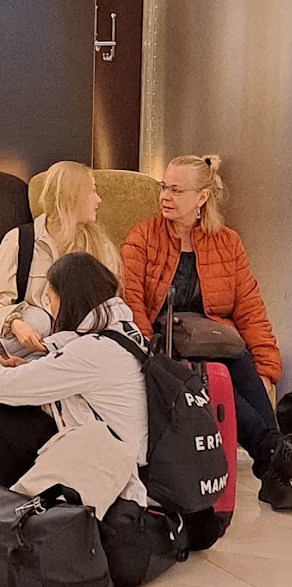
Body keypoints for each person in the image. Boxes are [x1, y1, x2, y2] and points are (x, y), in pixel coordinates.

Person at [121, 153, 292, 510]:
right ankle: (276, 459)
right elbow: (131, 300)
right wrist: (147, 354)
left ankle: (274, 466)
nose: (165, 196)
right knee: (218, 379)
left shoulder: (227, 242)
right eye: (164, 187)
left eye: (176, 190)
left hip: (217, 340)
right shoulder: (143, 237)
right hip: (167, 345)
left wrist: (267, 369)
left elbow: (250, 309)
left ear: (201, 197)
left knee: (241, 362)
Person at [0, 252, 148, 507]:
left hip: (111, 471)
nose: (50, 308)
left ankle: (4, 507)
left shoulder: (91, 352)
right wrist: (32, 364)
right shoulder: (125, 331)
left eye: (50, 299)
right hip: (129, 456)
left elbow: (2, 387)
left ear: (67, 299)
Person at [0, 160, 120, 359]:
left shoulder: (99, 245)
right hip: (26, 340)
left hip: (76, 345)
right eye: (92, 191)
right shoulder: (18, 240)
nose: (98, 199)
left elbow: (109, 308)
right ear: (72, 196)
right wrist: (16, 324)